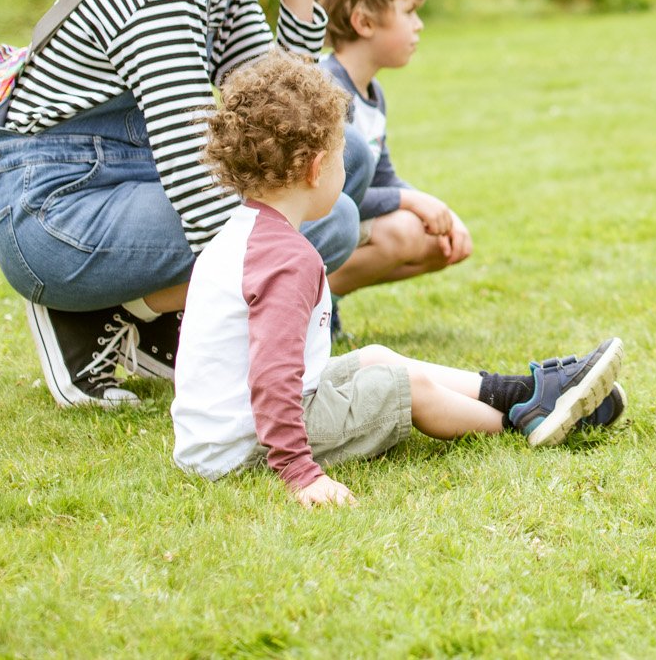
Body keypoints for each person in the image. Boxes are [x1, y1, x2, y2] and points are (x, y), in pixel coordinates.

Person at [0, 0, 379, 408]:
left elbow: (290, 120)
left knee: (343, 160)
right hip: (60, 212)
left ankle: (146, 319)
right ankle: (90, 321)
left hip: (127, 186)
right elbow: (189, 161)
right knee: (327, 222)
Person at [171, 50, 624, 506]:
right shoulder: (287, 259)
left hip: (221, 434)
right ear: (315, 169)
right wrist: (300, 472)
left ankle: (521, 393)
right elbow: (272, 379)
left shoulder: (241, 234)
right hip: (246, 447)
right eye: (342, 161)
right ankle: (526, 423)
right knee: (404, 389)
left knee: (375, 358)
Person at [313, 0, 474, 304]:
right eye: (409, 12)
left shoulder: (373, 93)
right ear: (364, 22)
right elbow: (328, 197)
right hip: (312, 227)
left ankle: (321, 304)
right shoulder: (327, 90)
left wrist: (439, 210)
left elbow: (382, 177)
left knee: (436, 241)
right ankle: (311, 302)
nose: (419, 25)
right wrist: (410, 201)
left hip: (341, 220)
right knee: (405, 231)